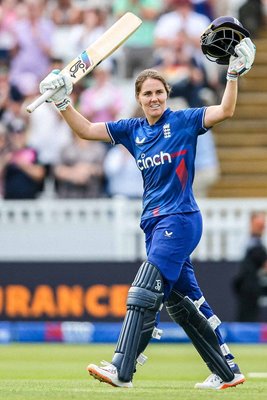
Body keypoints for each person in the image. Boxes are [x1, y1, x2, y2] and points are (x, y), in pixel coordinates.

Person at [38, 25, 256, 390]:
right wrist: (63, 102)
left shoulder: (184, 122)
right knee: (185, 305)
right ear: (138, 98)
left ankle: (123, 367)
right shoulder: (132, 130)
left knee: (144, 289)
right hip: (153, 225)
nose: (154, 98)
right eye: (147, 94)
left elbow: (226, 110)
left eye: (159, 92)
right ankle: (226, 371)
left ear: (167, 95)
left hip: (181, 219)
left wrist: (232, 74)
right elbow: (88, 130)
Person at [233, 212, 267, 322]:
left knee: (248, 315)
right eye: (259, 224)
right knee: (246, 315)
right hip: (246, 285)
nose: (262, 227)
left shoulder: (256, 244)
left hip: (250, 285)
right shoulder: (252, 243)